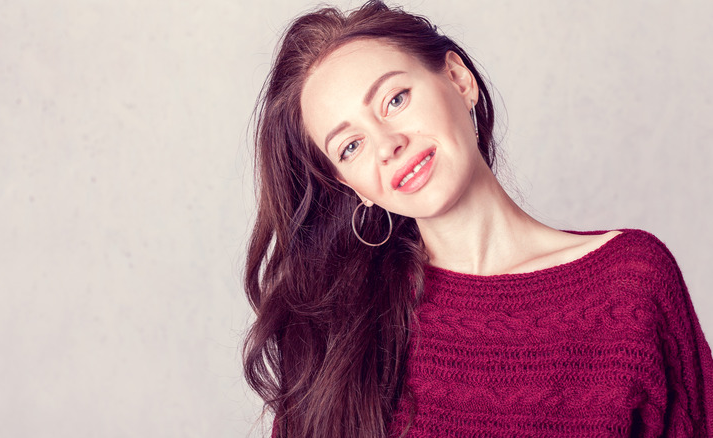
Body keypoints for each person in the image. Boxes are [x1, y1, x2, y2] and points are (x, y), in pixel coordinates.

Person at [242, 1, 713, 437]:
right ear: (354, 186)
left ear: (458, 79)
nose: (388, 145)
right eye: (351, 146)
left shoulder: (631, 284)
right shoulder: (337, 334)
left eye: (394, 100)